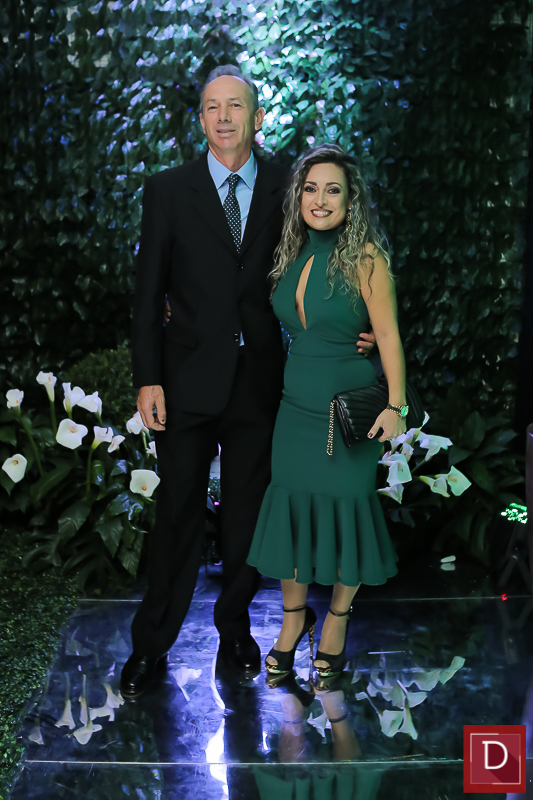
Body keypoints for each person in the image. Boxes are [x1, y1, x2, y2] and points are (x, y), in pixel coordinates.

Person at [122, 67, 375, 698]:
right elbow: (147, 294)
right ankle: (151, 643)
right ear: (201, 120)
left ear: (257, 118)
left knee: (245, 518)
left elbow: (334, 248)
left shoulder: (290, 184)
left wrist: (363, 321)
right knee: (177, 513)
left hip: (261, 381)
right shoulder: (167, 191)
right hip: (184, 381)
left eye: (236, 106)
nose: (224, 117)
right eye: (212, 107)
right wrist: (148, 379)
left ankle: (235, 632)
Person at [247, 144, 407, 680]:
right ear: (298, 197)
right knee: (292, 514)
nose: (320, 199)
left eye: (332, 189)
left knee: (347, 514)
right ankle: (293, 620)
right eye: (311, 188)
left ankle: (337, 620)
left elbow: (388, 335)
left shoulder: (366, 258)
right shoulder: (291, 254)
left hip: (347, 414)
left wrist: (396, 405)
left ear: (350, 199)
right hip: (295, 410)